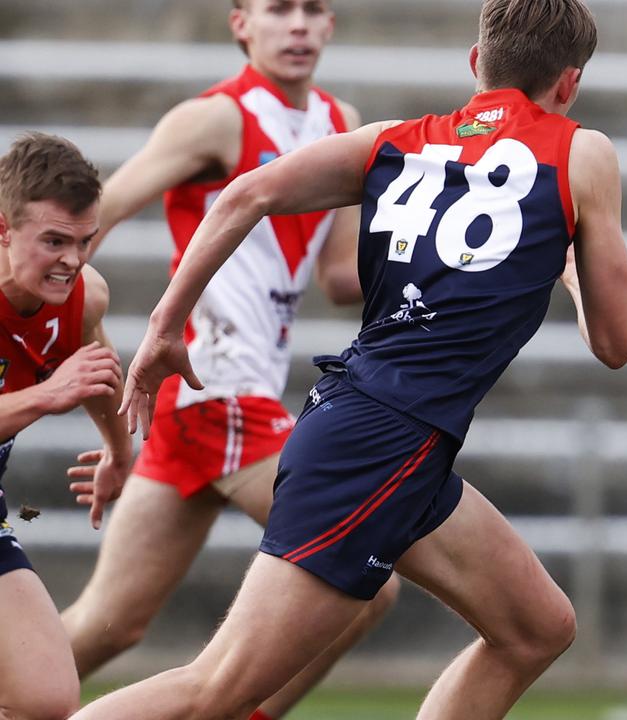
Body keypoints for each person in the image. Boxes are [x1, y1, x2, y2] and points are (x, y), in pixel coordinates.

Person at [74, 0, 627, 717]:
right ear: (571, 83)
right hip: (384, 439)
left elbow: (246, 194)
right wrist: (571, 276)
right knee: (216, 689)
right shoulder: (581, 150)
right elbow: (617, 346)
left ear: (476, 66)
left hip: (382, 426)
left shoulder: (390, 140)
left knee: (536, 627)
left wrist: (162, 327)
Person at [58, 2, 397, 718]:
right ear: (241, 23)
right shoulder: (214, 119)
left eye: (314, 10)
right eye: (280, 9)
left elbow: (341, 277)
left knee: (107, 626)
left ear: (332, 25)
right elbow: (103, 210)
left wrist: (458, 266)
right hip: (218, 394)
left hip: (208, 409)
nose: (299, 25)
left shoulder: (342, 122)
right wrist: (65, 297)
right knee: (366, 575)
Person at [0, 132, 131, 719]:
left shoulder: (84, 295)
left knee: (46, 698)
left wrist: (119, 452)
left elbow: (97, 369)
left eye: (84, 242)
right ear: (4, 230)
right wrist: (46, 395)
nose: (72, 262)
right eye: (53, 241)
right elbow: (61, 388)